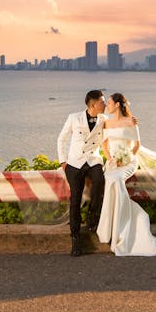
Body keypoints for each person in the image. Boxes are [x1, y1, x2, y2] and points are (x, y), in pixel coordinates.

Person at [97, 93, 156, 257]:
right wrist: (111, 159)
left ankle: (122, 226)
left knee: (116, 179)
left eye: (109, 102)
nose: (107, 105)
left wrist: (126, 159)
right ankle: (110, 226)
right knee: (109, 178)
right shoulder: (106, 122)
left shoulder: (130, 121)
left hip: (129, 161)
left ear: (118, 105)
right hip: (113, 161)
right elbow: (104, 144)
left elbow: (137, 145)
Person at [57, 90, 107, 256]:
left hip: (93, 160)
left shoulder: (104, 120)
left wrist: (130, 122)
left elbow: (117, 130)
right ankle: (75, 238)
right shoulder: (73, 117)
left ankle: (93, 217)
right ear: (93, 104)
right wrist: (63, 161)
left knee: (99, 181)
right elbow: (61, 139)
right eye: (102, 102)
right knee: (75, 199)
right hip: (75, 162)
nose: (105, 105)